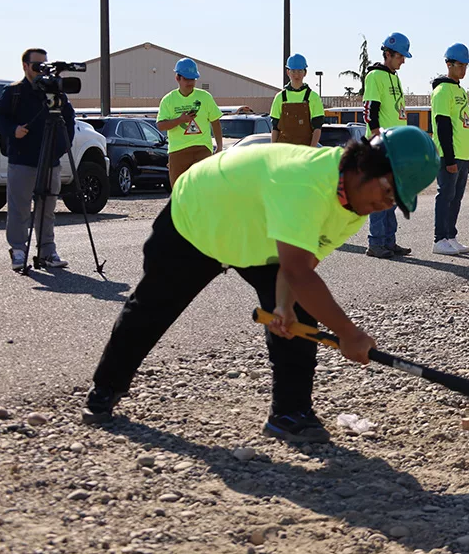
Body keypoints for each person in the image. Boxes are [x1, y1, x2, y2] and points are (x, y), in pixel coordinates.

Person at [82, 126, 440, 443]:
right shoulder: (306, 181)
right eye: (389, 192)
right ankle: (106, 388)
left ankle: (290, 414)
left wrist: (282, 307)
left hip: (261, 239)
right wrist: (348, 332)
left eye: (394, 202)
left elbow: (300, 268)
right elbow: (301, 272)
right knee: (153, 306)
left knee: (298, 316)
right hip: (200, 218)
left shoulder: (351, 207)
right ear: (365, 166)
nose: (384, 205)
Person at [0, 48, 74, 271]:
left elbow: (69, 120)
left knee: (47, 209)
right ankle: (18, 250)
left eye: (44, 64)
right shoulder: (14, 92)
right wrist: (13, 129)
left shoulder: (54, 92)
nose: (41, 70)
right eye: (37, 65)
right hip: (22, 160)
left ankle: (47, 252)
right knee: (20, 208)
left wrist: (62, 147)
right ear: (25, 66)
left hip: (50, 161)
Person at [363, 32, 413, 259]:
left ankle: (389, 241)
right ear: (388, 54)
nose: (403, 60)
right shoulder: (375, 76)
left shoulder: (395, 77)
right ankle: (376, 243)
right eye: (401, 56)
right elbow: (370, 109)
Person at [431, 43, 469, 256]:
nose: (463, 69)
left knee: (456, 197)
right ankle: (439, 239)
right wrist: (449, 158)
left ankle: (451, 236)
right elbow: (443, 126)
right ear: (448, 64)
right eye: (460, 65)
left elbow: (466, 124)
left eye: (466, 65)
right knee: (445, 195)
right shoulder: (441, 91)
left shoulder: (462, 91)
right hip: (449, 155)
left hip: (463, 154)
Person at [156, 58, 223, 186]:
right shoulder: (168, 100)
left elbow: (215, 122)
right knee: (178, 190)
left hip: (202, 149)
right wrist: (180, 120)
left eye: (193, 79)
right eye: (187, 79)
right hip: (178, 150)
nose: (190, 82)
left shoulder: (205, 97)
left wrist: (219, 146)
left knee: (203, 188)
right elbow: (161, 125)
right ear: (178, 78)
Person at [270, 54, 325, 147]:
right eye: (293, 71)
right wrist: (273, 150)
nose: (296, 75)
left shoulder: (313, 97)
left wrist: (311, 151)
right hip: (283, 151)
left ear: (305, 72)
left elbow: (317, 128)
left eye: (300, 71)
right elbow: (275, 128)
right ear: (288, 72)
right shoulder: (280, 97)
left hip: (304, 152)